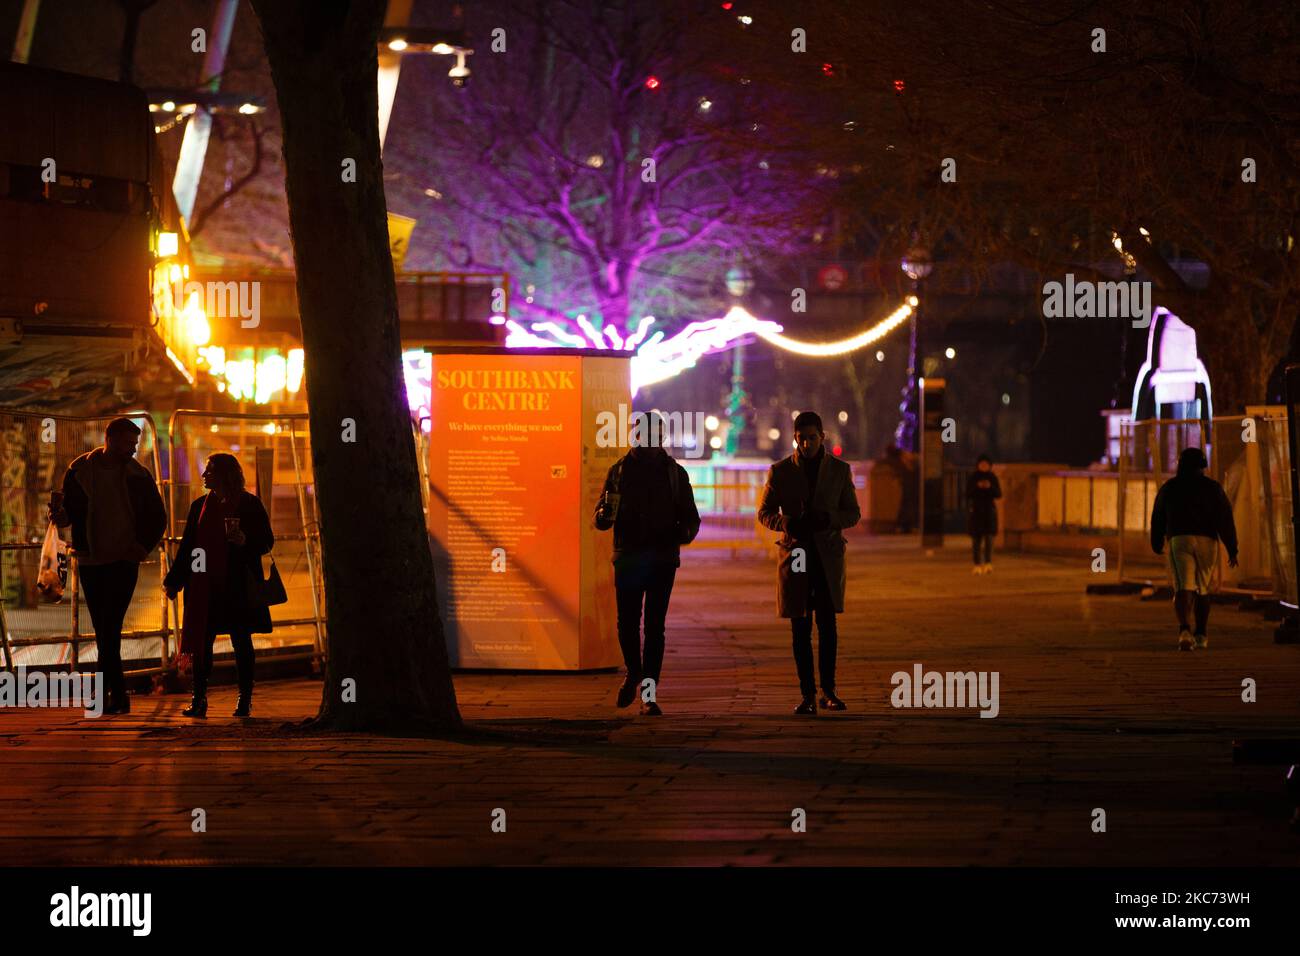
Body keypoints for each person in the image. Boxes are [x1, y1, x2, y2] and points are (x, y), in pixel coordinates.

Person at [50, 418, 167, 715]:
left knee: (108, 627)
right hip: (91, 559)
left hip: (122, 560)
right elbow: (71, 515)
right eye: (129, 443)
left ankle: (108, 697)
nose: (133, 449)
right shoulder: (80, 470)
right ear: (111, 439)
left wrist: (139, 548)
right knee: (106, 629)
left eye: (135, 444)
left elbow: (157, 516)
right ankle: (113, 696)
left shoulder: (138, 475)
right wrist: (61, 517)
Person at [594, 411, 701, 716]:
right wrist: (604, 516)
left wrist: (684, 532)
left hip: (661, 559)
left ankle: (649, 695)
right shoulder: (619, 471)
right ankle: (633, 671)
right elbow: (601, 517)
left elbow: (691, 517)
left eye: (655, 435)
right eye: (644, 434)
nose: (650, 440)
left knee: (654, 628)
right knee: (627, 623)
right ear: (636, 435)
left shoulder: (675, 474)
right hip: (628, 556)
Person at [758, 411, 861, 715]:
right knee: (800, 627)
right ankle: (807, 693)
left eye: (812, 438)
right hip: (796, 555)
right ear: (795, 438)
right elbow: (763, 512)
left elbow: (853, 513)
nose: (806, 444)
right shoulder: (779, 471)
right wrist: (785, 522)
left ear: (822, 437)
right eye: (801, 438)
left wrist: (829, 519)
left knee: (827, 625)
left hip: (827, 556)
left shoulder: (840, 471)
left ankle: (828, 690)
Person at [164, 454, 274, 717]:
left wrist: (244, 540)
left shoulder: (249, 504)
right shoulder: (199, 506)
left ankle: (244, 698)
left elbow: (266, 542)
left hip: (237, 586)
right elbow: (188, 547)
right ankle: (199, 698)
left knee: (241, 641)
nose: (203, 476)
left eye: (209, 471)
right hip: (205, 586)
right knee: (203, 641)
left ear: (224, 474)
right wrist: (174, 581)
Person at [1150, 447, 1238, 651]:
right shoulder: (1213, 488)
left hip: (1179, 539)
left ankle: (1184, 631)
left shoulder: (1170, 487)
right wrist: (1232, 547)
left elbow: (1158, 516)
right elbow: (1225, 518)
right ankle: (1202, 634)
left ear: (1180, 465)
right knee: (1203, 588)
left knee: (1183, 586)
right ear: (1203, 466)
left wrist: (1156, 542)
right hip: (1208, 541)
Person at [967, 454, 1002, 575]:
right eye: (981, 464)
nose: (984, 466)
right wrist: (977, 487)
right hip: (976, 511)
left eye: (986, 464)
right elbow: (968, 494)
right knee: (976, 540)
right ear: (978, 465)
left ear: (990, 466)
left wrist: (989, 487)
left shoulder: (992, 477)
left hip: (989, 512)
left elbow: (998, 494)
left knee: (989, 539)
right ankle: (977, 564)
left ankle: (988, 563)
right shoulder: (973, 477)